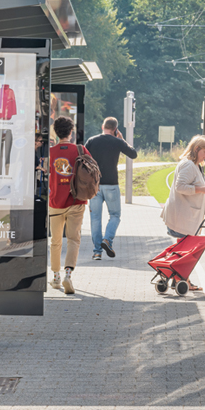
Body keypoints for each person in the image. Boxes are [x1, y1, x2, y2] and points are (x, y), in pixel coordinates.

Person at [49, 115, 93, 295]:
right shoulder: (81, 150)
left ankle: (56, 277)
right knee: (74, 239)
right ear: (71, 131)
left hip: (55, 202)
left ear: (55, 132)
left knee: (56, 241)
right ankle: (68, 273)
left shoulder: (50, 152)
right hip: (77, 201)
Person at [161, 135, 205, 292]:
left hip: (185, 216)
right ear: (196, 150)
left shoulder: (193, 165)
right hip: (183, 217)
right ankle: (182, 279)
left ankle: (181, 278)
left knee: (182, 249)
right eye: (204, 152)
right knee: (184, 250)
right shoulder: (188, 165)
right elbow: (180, 187)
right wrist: (201, 189)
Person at [85, 116, 138, 260]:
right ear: (115, 130)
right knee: (114, 215)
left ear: (103, 127)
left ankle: (97, 252)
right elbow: (133, 154)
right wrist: (122, 139)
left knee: (95, 218)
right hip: (112, 185)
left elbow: (83, 158)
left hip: (94, 185)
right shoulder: (118, 141)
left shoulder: (92, 140)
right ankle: (107, 240)